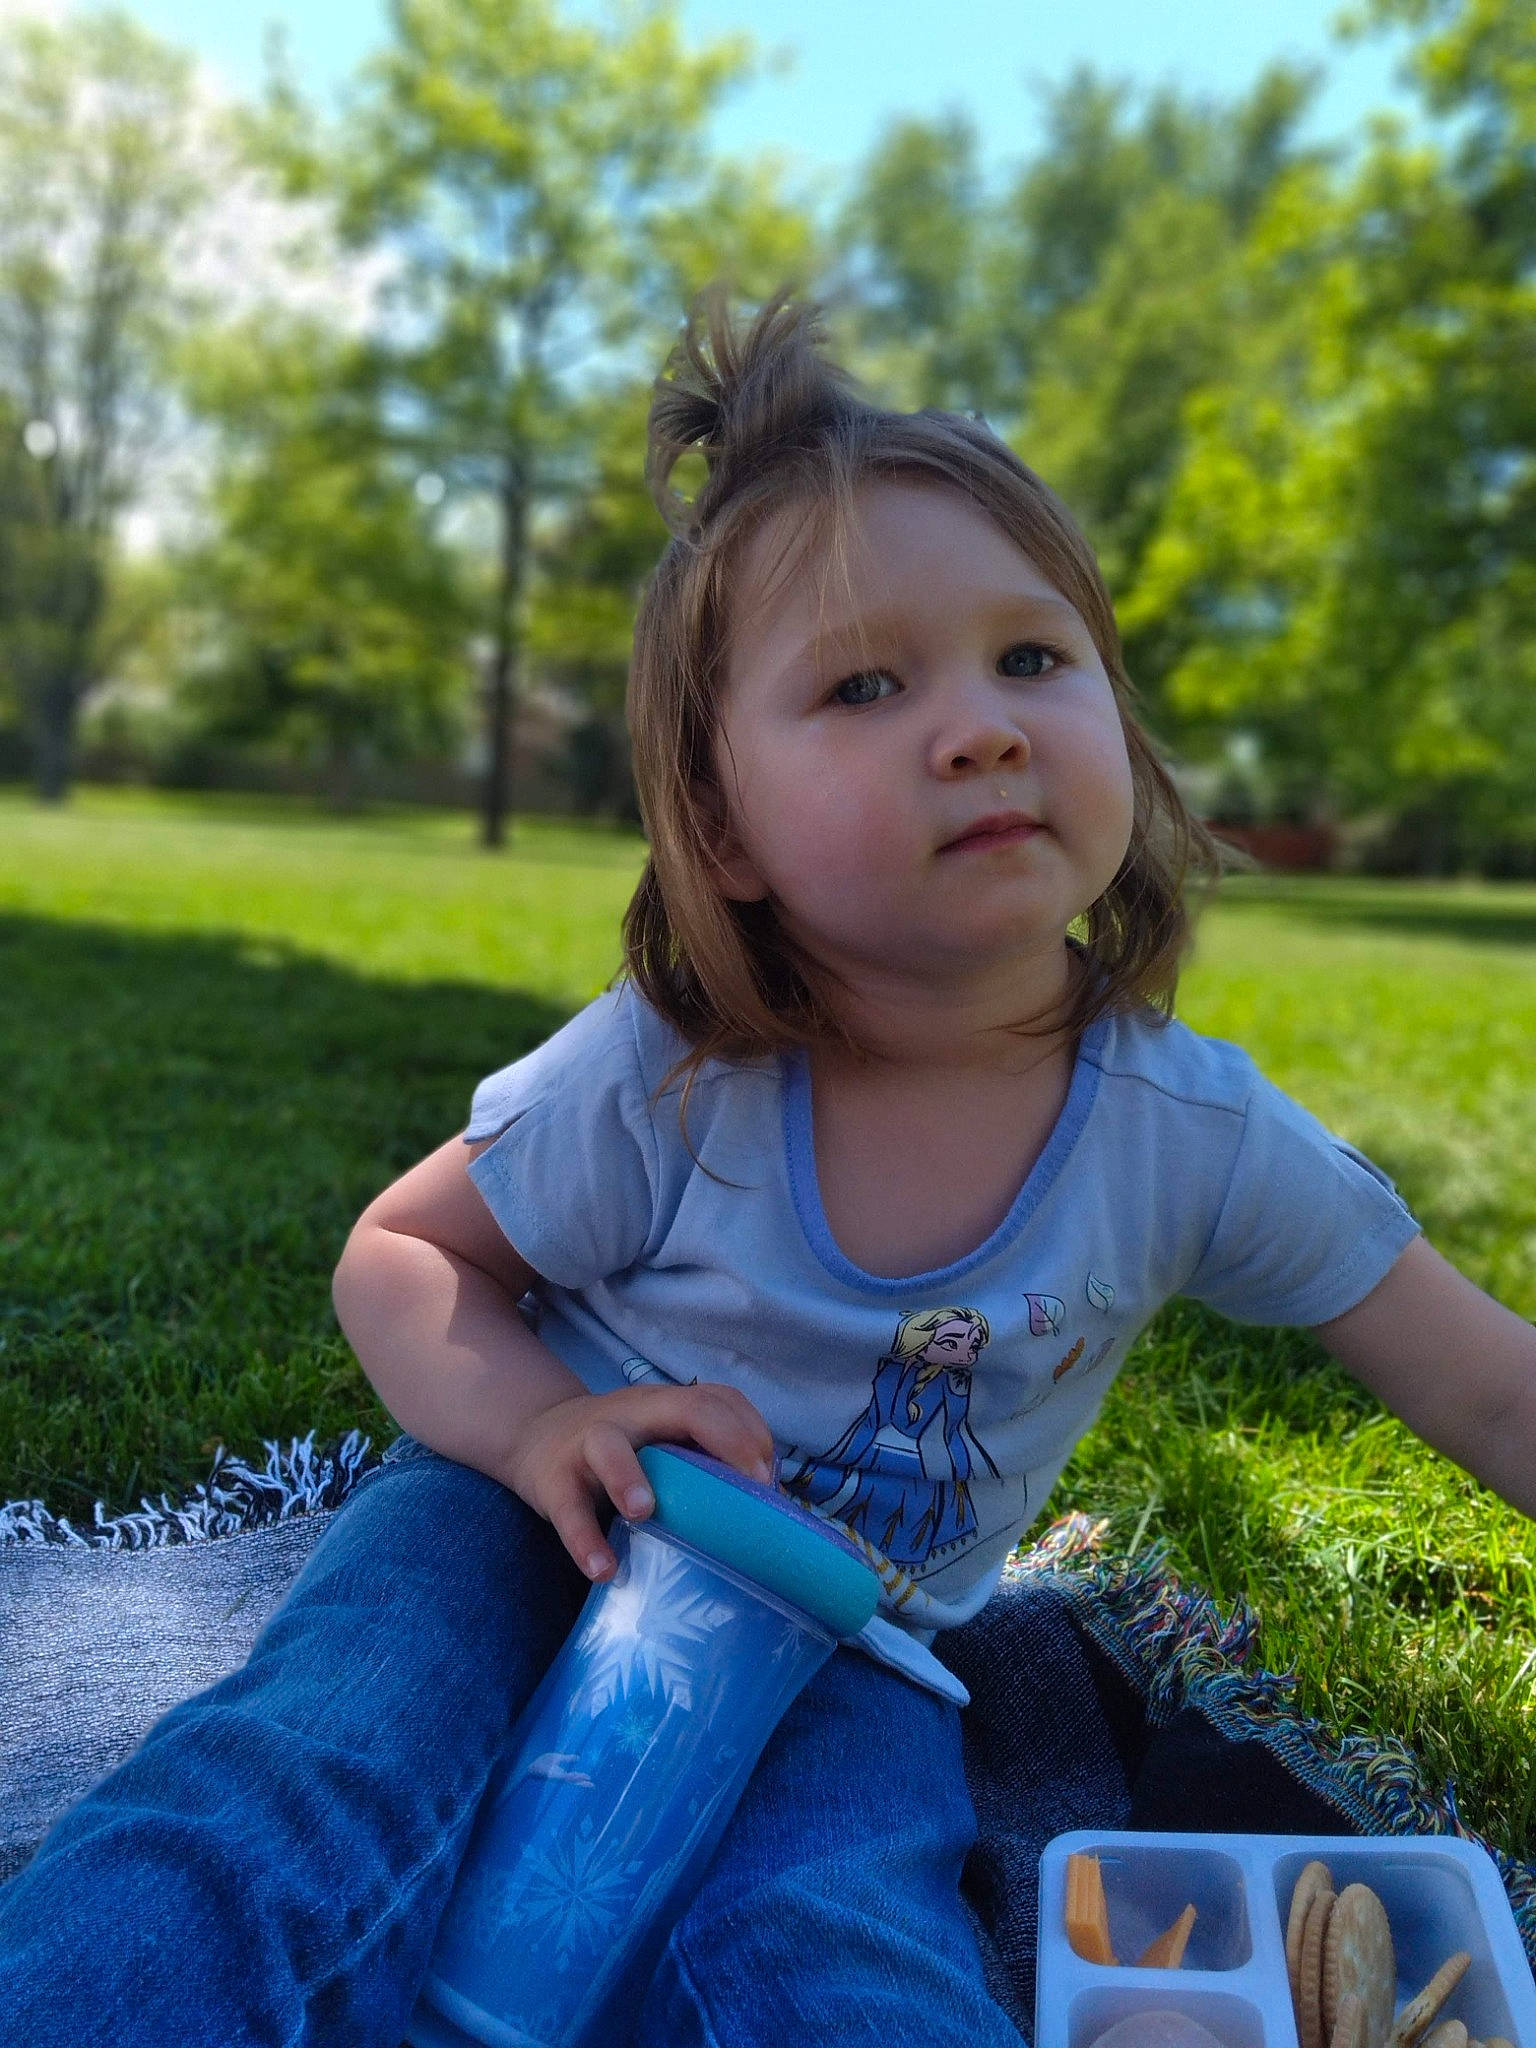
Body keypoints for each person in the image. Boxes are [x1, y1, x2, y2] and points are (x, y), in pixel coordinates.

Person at [2, 289, 1534, 2047]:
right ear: (721, 826)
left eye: (1034, 658)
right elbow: (403, 1254)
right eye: (868, 686)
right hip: (534, 1524)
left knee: (832, 1934)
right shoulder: (672, 1078)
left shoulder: (1188, 1138)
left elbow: (1491, 1390)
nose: (980, 727)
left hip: (855, 1647)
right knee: (299, 1780)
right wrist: (533, 1428)